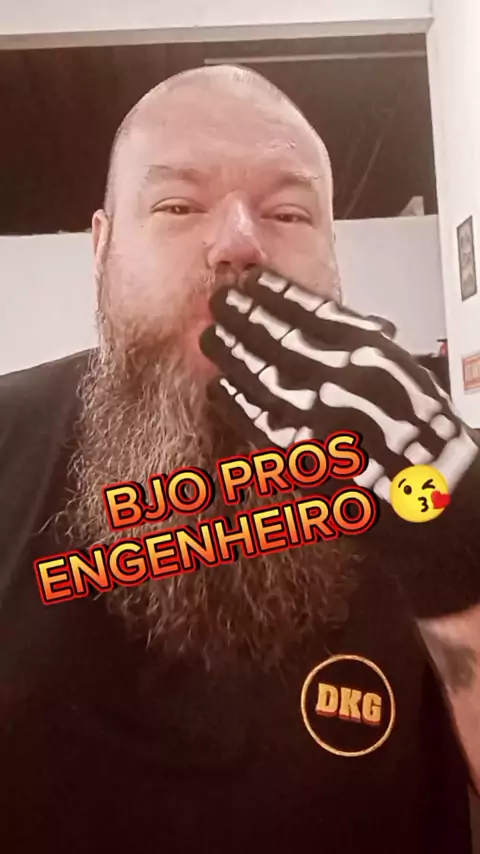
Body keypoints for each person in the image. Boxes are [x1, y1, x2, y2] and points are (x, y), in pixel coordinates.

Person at [0, 65, 479, 854]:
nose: (238, 244)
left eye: (288, 212)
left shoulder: (436, 475)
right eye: (178, 205)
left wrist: (461, 575)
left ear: (334, 258)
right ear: (102, 246)